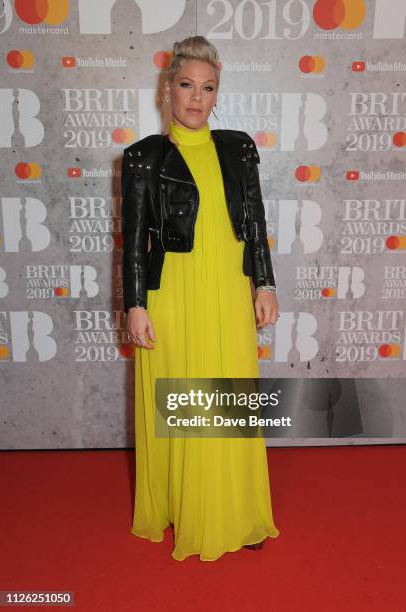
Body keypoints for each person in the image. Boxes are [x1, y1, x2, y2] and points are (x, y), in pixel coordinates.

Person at [121, 35, 280, 562]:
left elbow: (254, 223)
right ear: (167, 89)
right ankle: (184, 507)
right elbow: (135, 240)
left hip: (228, 290)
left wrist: (265, 283)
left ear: (217, 94)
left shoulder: (238, 148)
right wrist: (135, 304)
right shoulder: (143, 158)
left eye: (207, 88)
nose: (196, 97)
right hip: (176, 297)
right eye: (186, 85)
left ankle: (237, 511)